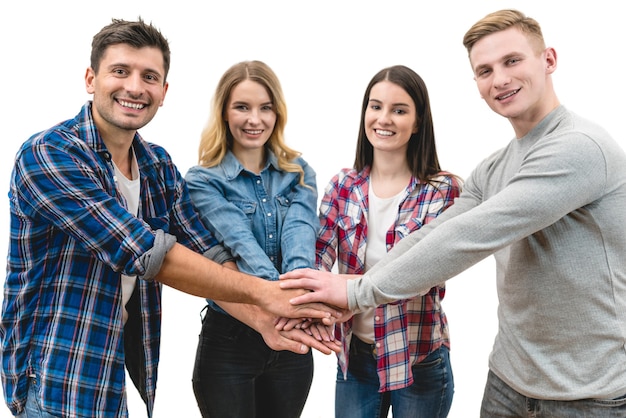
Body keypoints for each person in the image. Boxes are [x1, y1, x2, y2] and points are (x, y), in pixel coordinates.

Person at [280, 8, 626, 417]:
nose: (499, 79)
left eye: (512, 61)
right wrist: (339, 297)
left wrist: (356, 291)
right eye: (484, 70)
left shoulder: (579, 147)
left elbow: (471, 237)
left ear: (548, 60)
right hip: (508, 382)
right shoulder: (493, 168)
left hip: (585, 396)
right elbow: (438, 232)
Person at [0, 19, 337, 418]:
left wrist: (265, 322)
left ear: (163, 92)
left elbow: (209, 252)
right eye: (120, 71)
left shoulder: (156, 165)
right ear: (91, 78)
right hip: (54, 377)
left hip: (110, 374)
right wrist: (267, 293)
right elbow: (145, 253)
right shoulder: (49, 154)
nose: (135, 87)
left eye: (150, 76)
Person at [185, 60, 337, 418]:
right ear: (224, 112)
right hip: (230, 342)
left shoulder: (298, 172)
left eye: (265, 108)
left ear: (277, 113)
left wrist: (298, 298)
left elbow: (301, 239)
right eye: (242, 107)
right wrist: (288, 302)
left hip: (292, 340)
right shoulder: (203, 181)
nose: (255, 119)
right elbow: (241, 245)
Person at [312, 65, 460, 417]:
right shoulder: (342, 186)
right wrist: (312, 305)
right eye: (375, 106)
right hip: (356, 361)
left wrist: (348, 288)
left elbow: (423, 276)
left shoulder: (441, 191)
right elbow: (317, 258)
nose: (384, 118)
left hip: (418, 361)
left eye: (399, 110)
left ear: (418, 121)